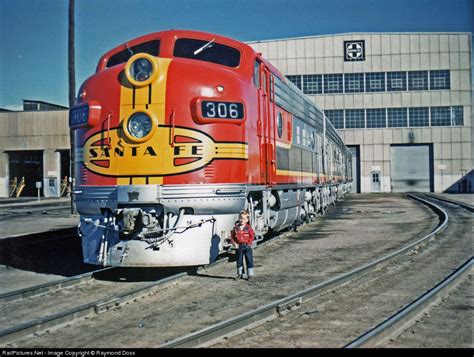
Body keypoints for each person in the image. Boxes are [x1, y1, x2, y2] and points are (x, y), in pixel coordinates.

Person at [230, 209, 255, 280]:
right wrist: (234, 243)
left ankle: (250, 274)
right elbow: (232, 236)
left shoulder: (248, 228)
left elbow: (252, 236)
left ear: (247, 220)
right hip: (239, 246)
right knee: (239, 260)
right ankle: (240, 273)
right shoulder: (236, 228)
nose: (241, 220)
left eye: (243, 219)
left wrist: (249, 243)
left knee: (249, 259)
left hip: (247, 245)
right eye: (240, 218)